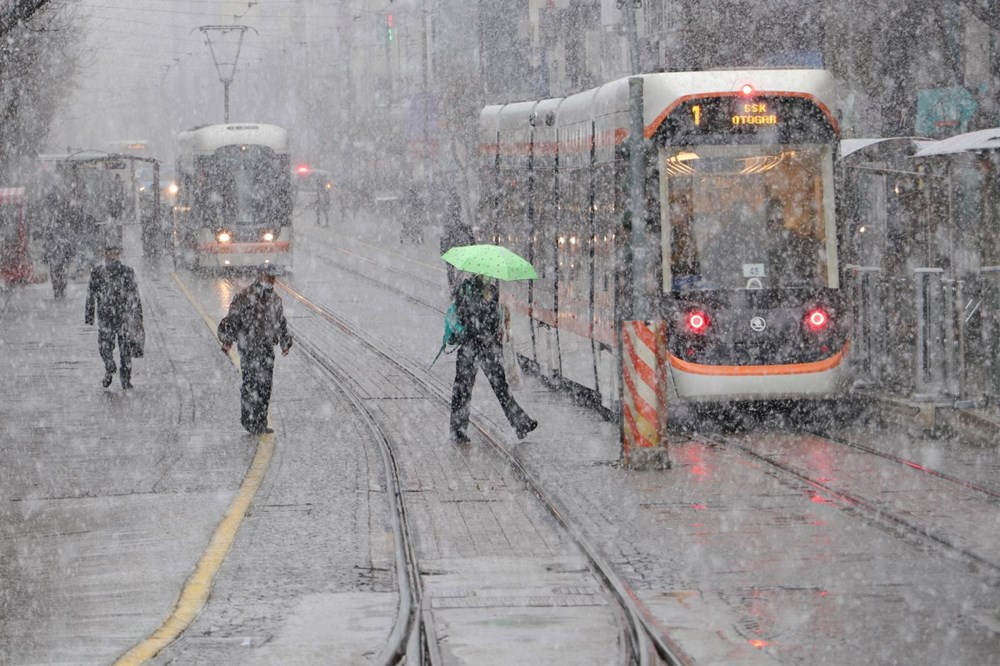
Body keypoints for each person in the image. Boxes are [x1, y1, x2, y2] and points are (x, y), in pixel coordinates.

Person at [449, 274, 537, 445]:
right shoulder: (466, 291)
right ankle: (458, 430)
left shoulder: (490, 291)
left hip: (484, 348)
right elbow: (462, 316)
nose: (485, 278)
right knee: (464, 389)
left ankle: (520, 423)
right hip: (473, 346)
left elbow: (492, 321)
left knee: (495, 388)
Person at [217, 265, 293, 434]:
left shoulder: (275, 299)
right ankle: (249, 420)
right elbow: (233, 318)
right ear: (260, 276)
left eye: (273, 278)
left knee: (265, 386)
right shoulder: (245, 296)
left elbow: (280, 322)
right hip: (249, 347)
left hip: (266, 348)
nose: (271, 281)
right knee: (251, 384)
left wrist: (285, 342)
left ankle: (261, 422)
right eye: (268, 277)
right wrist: (228, 340)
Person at [85, 245, 144, 389]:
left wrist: (90, 315)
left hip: (106, 315)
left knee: (105, 344)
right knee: (125, 349)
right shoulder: (127, 272)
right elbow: (135, 296)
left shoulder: (98, 272)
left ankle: (109, 365)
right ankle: (125, 379)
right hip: (123, 316)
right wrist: (138, 316)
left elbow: (90, 295)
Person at [42, 187, 74, 300]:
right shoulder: (52, 220)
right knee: (58, 273)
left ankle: (60, 290)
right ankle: (59, 291)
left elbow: (66, 237)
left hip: (59, 253)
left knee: (59, 273)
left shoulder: (58, 219)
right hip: (57, 253)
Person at [439, 192, 475, 293]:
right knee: (456, 269)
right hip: (455, 248)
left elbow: (444, 237)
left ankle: (454, 287)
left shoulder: (450, 224)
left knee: (453, 270)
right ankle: (455, 287)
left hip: (453, 248)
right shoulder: (455, 224)